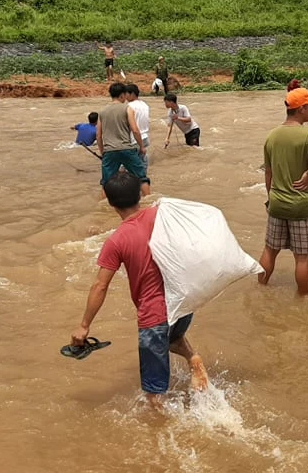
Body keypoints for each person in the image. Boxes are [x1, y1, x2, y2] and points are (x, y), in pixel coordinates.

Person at [71, 171, 209, 403]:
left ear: (110, 203)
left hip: (153, 316)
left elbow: (100, 286)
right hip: (183, 304)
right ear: (140, 194)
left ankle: (166, 422)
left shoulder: (116, 240)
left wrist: (84, 326)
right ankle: (193, 358)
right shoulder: (162, 216)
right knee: (172, 339)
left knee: (154, 395)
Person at [259, 88, 308, 296]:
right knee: (302, 257)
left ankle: (260, 290)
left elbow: (269, 173)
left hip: (277, 203)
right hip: (301, 205)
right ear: (301, 109)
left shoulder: (272, 136)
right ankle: (302, 301)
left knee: (270, 250)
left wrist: (270, 198)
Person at [98, 83, 149, 197]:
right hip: (126, 148)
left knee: (106, 182)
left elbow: (98, 135)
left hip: (109, 150)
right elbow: (135, 130)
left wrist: (102, 152)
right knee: (141, 178)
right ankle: (149, 201)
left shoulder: (102, 111)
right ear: (122, 95)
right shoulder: (127, 108)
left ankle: (103, 205)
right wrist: (141, 146)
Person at [125, 83, 151, 168]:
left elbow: (134, 129)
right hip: (145, 137)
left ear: (132, 94)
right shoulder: (144, 105)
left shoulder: (130, 106)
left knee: (128, 166)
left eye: (126, 94)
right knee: (141, 164)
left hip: (135, 139)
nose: (125, 97)